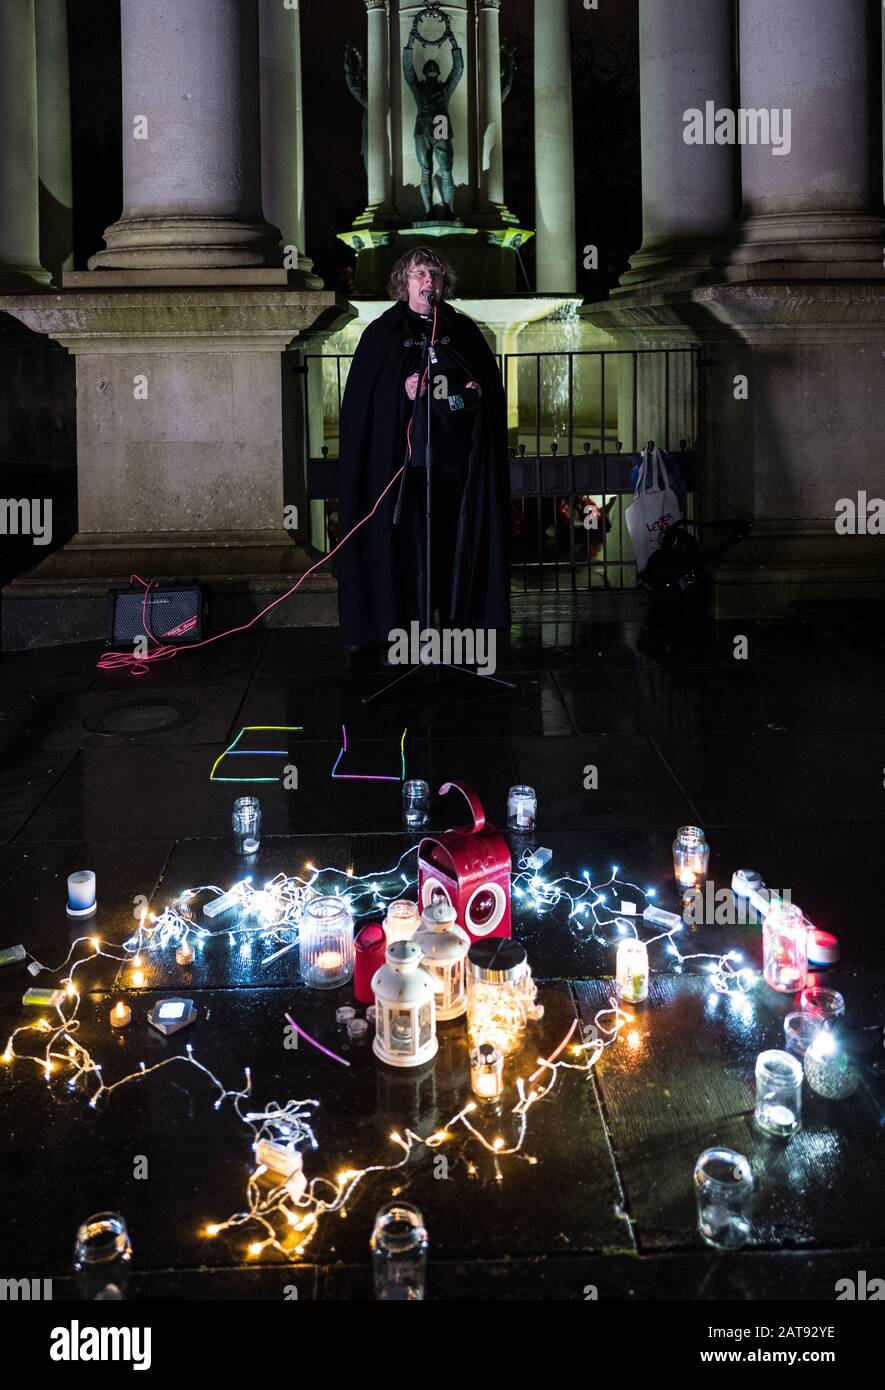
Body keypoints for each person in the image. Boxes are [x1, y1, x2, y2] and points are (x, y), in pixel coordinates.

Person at [335, 248, 511, 668]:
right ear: (404, 282)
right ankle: (398, 633)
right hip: (402, 469)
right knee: (405, 550)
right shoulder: (382, 333)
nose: (428, 280)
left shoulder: (460, 329)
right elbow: (363, 400)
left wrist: (464, 395)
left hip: (456, 467)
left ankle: (459, 630)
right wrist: (403, 389)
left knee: (455, 545)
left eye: (434, 272)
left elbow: (484, 387)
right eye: (419, 273)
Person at [403, 21, 464, 218]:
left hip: (439, 129)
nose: (430, 71)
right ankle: (429, 210)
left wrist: (454, 45)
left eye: (432, 69)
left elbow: (458, 70)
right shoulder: (419, 88)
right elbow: (408, 72)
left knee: (446, 170)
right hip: (423, 132)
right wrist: (410, 44)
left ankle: (449, 209)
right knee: (426, 172)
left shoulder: (444, 89)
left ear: (436, 72)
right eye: (428, 69)